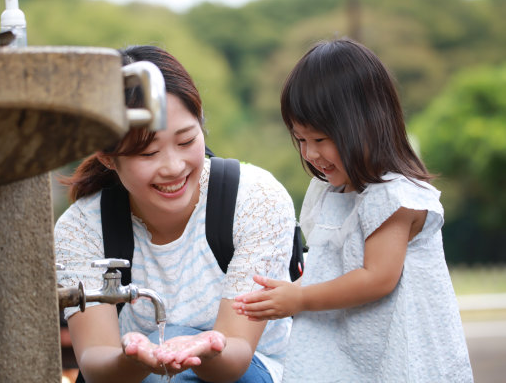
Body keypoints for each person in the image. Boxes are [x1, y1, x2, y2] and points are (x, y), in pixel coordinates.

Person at [232, 38, 473, 382]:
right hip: (351, 348)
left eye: (320, 139)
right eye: (300, 140)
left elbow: (377, 278)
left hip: (396, 353)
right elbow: (329, 264)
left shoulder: (393, 196)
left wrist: (299, 298)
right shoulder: (329, 192)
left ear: (367, 124)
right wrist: (288, 290)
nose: (310, 154)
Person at [55, 45, 295, 383]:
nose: (173, 167)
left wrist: (200, 350)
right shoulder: (80, 229)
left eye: (185, 142)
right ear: (108, 157)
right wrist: (138, 360)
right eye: (148, 152)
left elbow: (238, 352)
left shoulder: (256, 199)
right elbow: (96, 362)